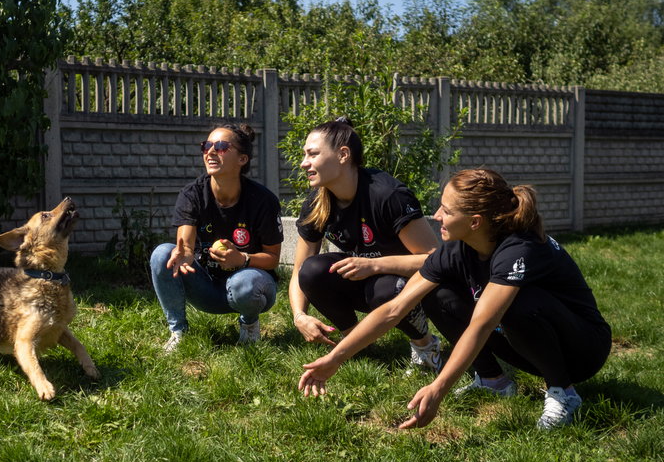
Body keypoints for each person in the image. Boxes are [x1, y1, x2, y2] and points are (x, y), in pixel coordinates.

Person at [298, 168, 612, 430]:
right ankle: (494, 381)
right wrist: (336, 358)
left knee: (516, 305)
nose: (436, 216)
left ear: (475, 221)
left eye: (447, 211)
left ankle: (563, 392)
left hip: (582, 350)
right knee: (436, 292)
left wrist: (439, 388)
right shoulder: (456, 249)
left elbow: (481, 326)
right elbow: (394, 309)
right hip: (527, 343)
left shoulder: (520, 248)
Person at [288, 117, 442, 373]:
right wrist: (299, 316)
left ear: (343, 155)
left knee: (386, 288)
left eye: (312, 154)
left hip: (407, 286)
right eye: (305, 155)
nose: (304, 163)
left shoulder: (387, 195)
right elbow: (298, 271)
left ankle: (425, 347)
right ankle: (356, 341)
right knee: (312, 271)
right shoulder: (317, 201)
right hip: (364, 281)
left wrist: (374, 265)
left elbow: (434, 260)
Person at [150, 123, 283, 352]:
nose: (210, 151)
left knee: (246, 283)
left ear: (242, 159)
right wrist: (185, 254)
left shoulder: (263, 201)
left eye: (221, 146)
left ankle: (249, 324)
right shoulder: (192, 194)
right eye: (206, 145)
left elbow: (272, 258)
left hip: (251, 289)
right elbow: (186, 244)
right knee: (162, 254)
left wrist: (241, 259)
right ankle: (178, 331)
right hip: (207, 289)